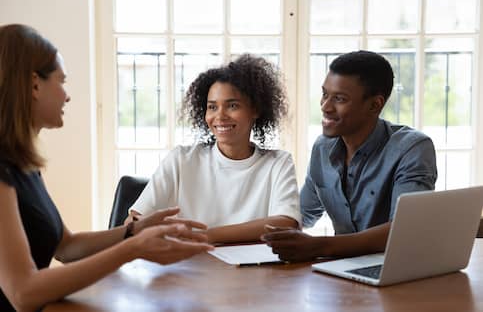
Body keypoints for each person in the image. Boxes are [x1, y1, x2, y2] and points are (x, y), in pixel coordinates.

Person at [0, 24, 213, 312]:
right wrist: (132, 250)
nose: (67, 96)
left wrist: (134, 231)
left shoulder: (21, 165)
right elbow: (22, 293)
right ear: (34, 85)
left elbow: (67, 247)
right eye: (62, 82)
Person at [262, 50, 437, 261]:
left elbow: (404, 230)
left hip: (394, 269)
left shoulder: (412, 148)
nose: (325, 107)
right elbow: (301, 213)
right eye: (325, 94)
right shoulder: (323, 148)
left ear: (375, 105)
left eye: (339, 99)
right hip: (341, 271)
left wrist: (319, 246)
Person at [126, 54, 301, 244]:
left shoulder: (278, 163)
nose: (220, 116)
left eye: (232, 105)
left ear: (256, 110)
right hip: (188, 267)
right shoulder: (181, 160)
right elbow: (134, 221)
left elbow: (286, 223)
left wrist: (202, 236)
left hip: (254, 271)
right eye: (212, 107)